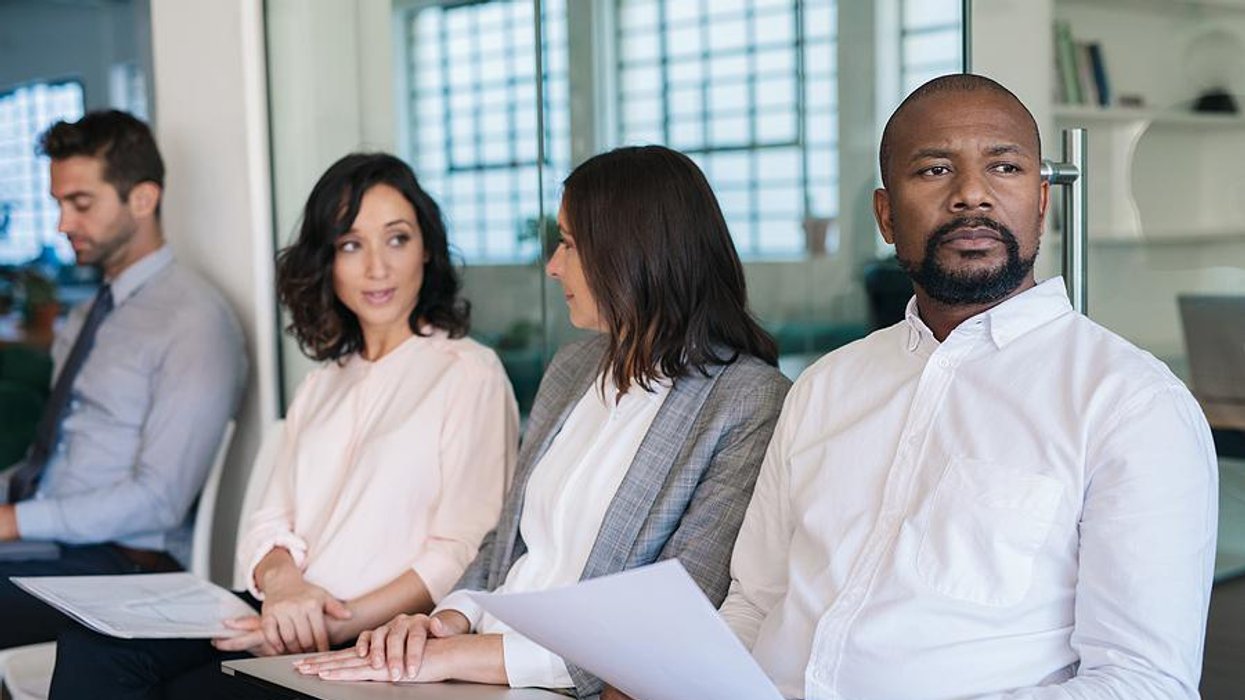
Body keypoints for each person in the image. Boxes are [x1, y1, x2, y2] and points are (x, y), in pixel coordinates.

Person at [719, 73, 1219, 699]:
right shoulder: (825, 386)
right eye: (933, 171)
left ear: (1042, 202)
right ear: (885, 215)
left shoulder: (1128, 404)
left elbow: (1143, 685)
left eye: (1004, 167)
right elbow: (755, 603)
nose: (972, 195)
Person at [295, 145, 792, 698]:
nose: (553, 265)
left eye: (571, 244)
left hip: (548, 684)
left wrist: (459, 655)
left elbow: (675, 616)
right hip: (470, 664)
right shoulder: (575, 367)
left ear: (632, 253)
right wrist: (439, 624)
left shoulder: (747, 401)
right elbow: (504, 545)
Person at [47, 152, 519, 699]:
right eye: (350, 245)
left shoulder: (468, 372)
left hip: (370, 635)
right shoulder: (323, 383)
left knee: (191, 692)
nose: (377, 268)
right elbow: (270, 522)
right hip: (281, 610)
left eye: (397, 239)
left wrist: (334, 623)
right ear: (327, 261)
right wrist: (284, 586)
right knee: (97, 646)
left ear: (428, 249)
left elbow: (461, 550)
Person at [0, 110, 246, 648]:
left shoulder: (193, 322)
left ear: (142, 199)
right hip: (49, 547)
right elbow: (56, 457)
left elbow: (159, 500)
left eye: (80, 204)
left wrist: (15, 521)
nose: (63, 224)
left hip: (119, 567)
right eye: (59, 204)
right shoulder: (90, 314)